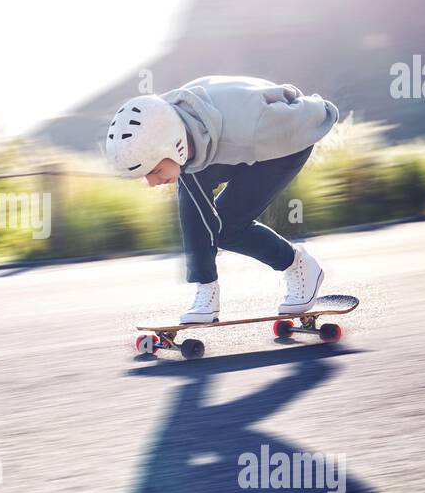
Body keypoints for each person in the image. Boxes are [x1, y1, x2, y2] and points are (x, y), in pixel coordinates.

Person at [104, 75, 339, 324]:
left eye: (152, 171)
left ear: (173, 145)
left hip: (281, 144)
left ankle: (300, 266)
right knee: (195, 188)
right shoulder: (165, 121)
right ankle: (206, 291)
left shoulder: (254, 129)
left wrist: (320, 109)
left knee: (227, 227)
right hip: (220, 139)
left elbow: (319, 113)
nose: (151, 183)